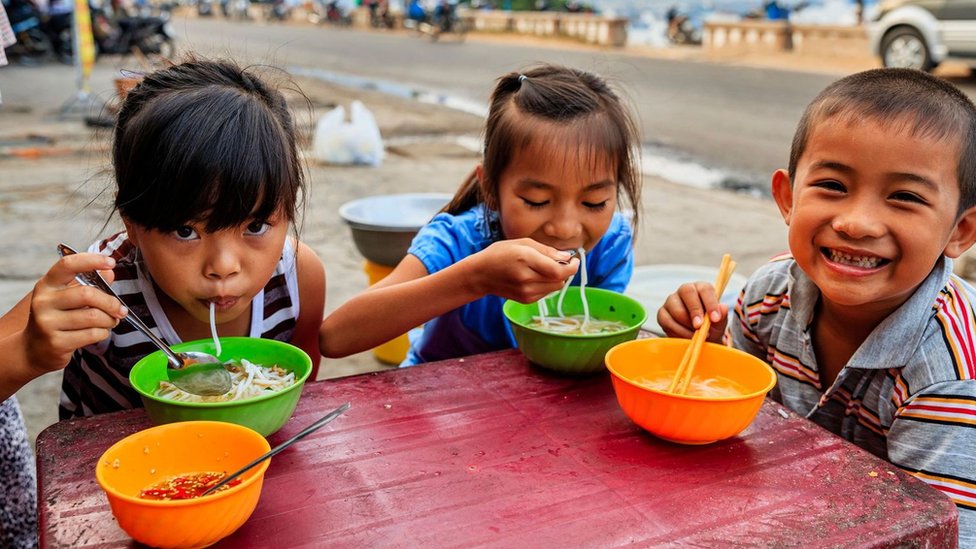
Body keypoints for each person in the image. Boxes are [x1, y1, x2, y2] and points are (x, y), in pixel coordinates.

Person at [657, 68, 976, 545]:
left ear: (960, 232)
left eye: (904, 197)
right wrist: (701, 349)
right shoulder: (769, 292)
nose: (856, 223)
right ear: (787, 198)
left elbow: (940, 534)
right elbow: (744, 415)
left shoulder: (949, 371)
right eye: (832, 185)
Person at [0, 57, 326, 421]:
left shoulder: (298, 278)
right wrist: (28, 352)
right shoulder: (99, 286)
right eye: (186, 231)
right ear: (133, 224)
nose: (223, 267)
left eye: (255, 227)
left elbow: (300, 394)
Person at [320, 64, 641, 365]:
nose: (565, 228)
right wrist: (473, 279)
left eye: (595, 202)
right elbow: (335, 337)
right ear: (490, 188)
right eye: (537, 200)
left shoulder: (610, 244)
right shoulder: (457, 242)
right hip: (439, 399)